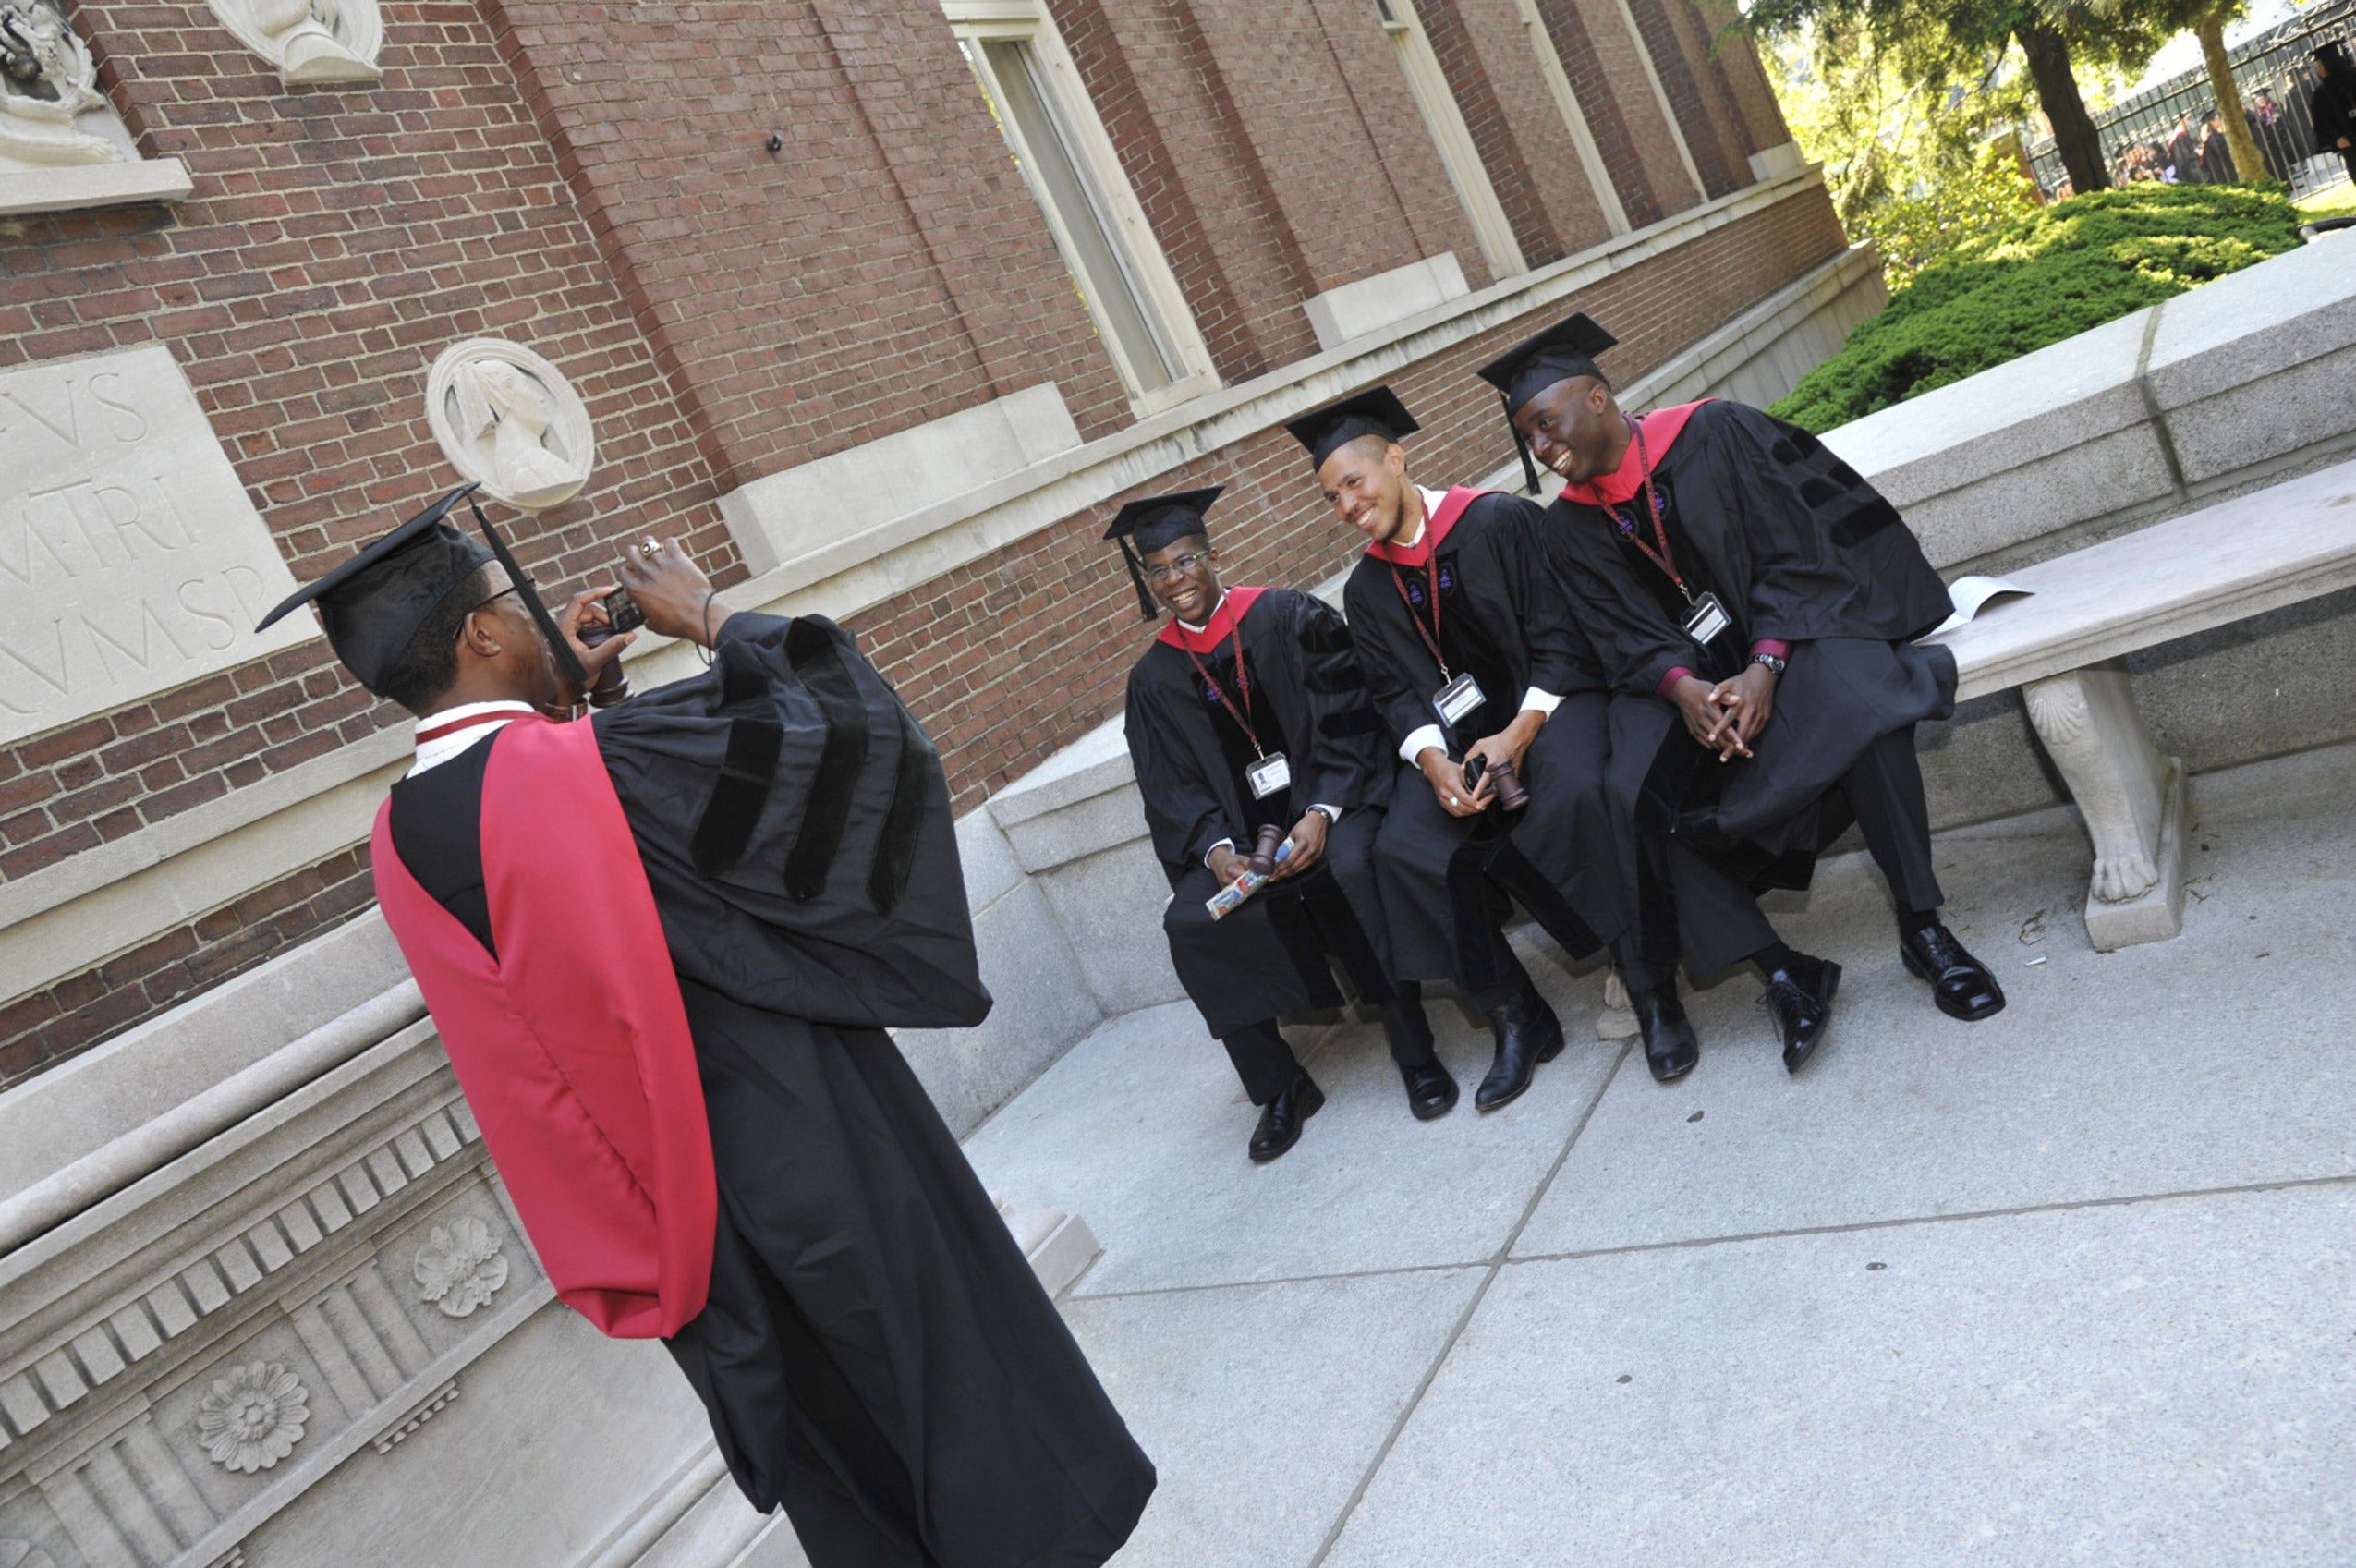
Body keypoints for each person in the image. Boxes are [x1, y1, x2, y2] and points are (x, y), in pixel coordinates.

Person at [254, 484, 1154, 1568]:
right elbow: (846, 730)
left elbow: (579, 924)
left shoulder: (400, 842)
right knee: (955, 1408)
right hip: (807, 1140)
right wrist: (713, 616)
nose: (540, 613)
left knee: (851, 1468)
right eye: (512, 598)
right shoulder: (590, 767)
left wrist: (580, 702)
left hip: (686, 1226)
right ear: (484, 633)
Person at [1484, 314, 2007, 1072]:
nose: (1539, 447)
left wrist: (1764, 663)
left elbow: (1801, 550)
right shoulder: (1565, 527)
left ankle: (1925, 929)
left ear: (1596, 398)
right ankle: (1784, 969)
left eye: (1544, 422)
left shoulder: (1716, 433)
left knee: (1863, 704)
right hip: (1700, 691)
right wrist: (1684, 687)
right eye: (1526, 436)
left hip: (1789, 645)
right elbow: (1615, 634)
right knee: (1624, 798)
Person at [1292, 386, 1633, 1107]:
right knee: (1403, 847)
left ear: (1395, 457)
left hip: (1548, 709)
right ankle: (1516, 1013)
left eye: (1353, 483)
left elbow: (1561, 635)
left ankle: (1637, 965)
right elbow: (1392, 693)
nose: (1348, 506)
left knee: (1569, 788)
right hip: (1462, 750)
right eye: (1332, 498)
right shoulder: (1368, 588)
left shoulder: (1499, 520)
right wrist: (1431, 760)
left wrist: (1520, 730)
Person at [1114, 486, 1458, 1161]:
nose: (1175, 580)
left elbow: (1351, 717)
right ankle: (1280, 1087)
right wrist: (1216, 853)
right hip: (1240, 846)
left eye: (1185, 562)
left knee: (1356, 869)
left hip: (1328, 811)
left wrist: (1322, 810)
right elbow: (1169, 789)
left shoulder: (1286, 616)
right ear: (1147, 582)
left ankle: (1415, 1051)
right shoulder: (1152, 680)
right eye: (1158, 571)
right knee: (1191, 922)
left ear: (1213, 557)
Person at [2314, 43, 2356, 185]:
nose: (2318, 69)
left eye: (2320, 64)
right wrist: (2336, 138)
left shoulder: (2353, 77)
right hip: (2349, 143)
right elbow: (2322, 121)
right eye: (2317, 66)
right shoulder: (2321, 93)